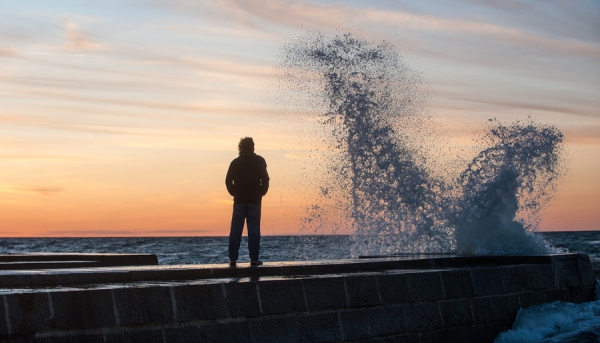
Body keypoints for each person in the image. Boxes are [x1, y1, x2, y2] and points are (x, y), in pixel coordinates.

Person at [225, 137, 269, 267]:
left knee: (235, 230)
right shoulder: (260, 161)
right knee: (254, 230)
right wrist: (260, 193)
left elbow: (228, 181)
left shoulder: (235, 163)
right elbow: (265, 180)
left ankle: (233, 259)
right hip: (254, 201)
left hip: (239, 201)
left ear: (240, 148)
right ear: (253, 147)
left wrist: (235, 193)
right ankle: (254, 259)